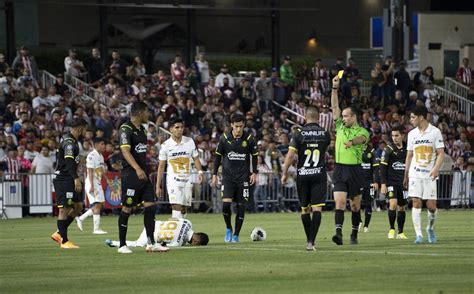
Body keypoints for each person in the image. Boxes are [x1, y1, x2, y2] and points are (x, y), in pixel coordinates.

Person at [117, 102, 169, 254]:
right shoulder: (125, 129)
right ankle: (122, 245)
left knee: (151, 206)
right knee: (127, 207)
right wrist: (137, 168)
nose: (148, 115)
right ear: (139, 113)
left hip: (143, 174)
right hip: (131, 174)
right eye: (146, 112)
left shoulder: (142, 130)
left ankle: (151, 242)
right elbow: (125, 152)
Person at [281, 106, 330, 251]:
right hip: (319, 174)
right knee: (317, 209)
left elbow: (290, 156)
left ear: (304, 117)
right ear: (319, 118)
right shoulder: (325, 133)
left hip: (303, 175)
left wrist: (284, 173)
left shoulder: (298, 133)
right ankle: (311, 242)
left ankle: (309, 240)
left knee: (304, 209)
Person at [330, 75, 370, 245]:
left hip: (355, 170)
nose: (343, 118)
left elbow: (362, 139)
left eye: (346, 116)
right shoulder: (339, 126)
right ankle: (338, 234)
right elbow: (334, 106)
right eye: (343, 116)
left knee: (355, 206)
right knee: (339, 203)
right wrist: (334, 88)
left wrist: (351, 142)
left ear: (354, 117)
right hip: (340, 169)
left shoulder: (363, 131)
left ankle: (354, 235)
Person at [211, 113, 258, 243]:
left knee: (241, 207)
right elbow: (217, 157)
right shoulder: (224, 138)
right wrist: (214, 174)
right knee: (226, 205)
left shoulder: (249, 139)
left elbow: (254, 156)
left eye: (241, 126)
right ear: (231, 125)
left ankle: (236, 235)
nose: (238, 129)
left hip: (243, 178)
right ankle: (228, 228)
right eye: (236, 126)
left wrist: (254, 172)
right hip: (228, 178)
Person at [404, 106, 445, 244]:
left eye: (413, 117)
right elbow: (409, 155)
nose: (411, 120)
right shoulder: (411, 134)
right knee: (416, 202)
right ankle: (419, 235)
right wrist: (406, 174)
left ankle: (430, 228)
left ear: (421, 117)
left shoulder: (435, 132)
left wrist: (436, 169)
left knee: (432, 206)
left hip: (430, 174)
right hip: (415, 173)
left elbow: (441, 153)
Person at [50, 118, 89, 249]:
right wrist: (76, 178)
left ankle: (59, 232)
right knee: (64, 209)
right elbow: (69, 162)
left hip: (69, 178)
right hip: (64, 179)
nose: (85, 131)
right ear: (79, 128)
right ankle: (64, 241)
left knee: (78, 207)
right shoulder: (69, 142)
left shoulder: (72, 140)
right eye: (84, 129)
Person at [156, 118, 203, 219]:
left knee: (183, 209)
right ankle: (176, 232)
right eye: (177, 127)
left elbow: (196, 158)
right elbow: (161, 166)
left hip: (187, 180)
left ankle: (180, 230)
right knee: (176, 208)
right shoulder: (166, 145)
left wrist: (200, 172)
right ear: (171, 129)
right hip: (173, 181)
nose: (180, 129)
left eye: (181, 127)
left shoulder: (189, 141)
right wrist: (158, 185)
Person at [76, 137, 114, 234]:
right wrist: (92, 185)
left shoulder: (100, 156)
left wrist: (107, 180)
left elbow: (101, 170)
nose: (104, 146)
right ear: (96, 145)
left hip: (97, 182)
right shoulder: (91, 156)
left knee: (100, 204)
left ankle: (80, 218)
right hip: (92, 182)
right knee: (97, 205)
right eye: (102, 144)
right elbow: (90, 171)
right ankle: (96, 229)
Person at [380, 126, 408, 239]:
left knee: (402, 207)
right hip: (391, 181)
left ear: (402, 136)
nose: (394, 138)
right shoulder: (388, 149)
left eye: (397, 135)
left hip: (403, 183)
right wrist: (383, 183)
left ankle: (400, 232)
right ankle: (391, 229)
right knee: (393, 203)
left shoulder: (407, 149)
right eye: (393, 136)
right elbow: (382, 167)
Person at [105, 218, 209, 248]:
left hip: (153, 224)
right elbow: (164, 246)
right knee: (138, 244)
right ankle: (114, 243)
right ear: (196, 242)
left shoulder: (188, 222)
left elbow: (171, 218)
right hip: (151, 236)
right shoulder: (179, 243)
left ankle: (115, 243)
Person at [359, 143, 380, 233]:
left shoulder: (372, 152)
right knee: (356, 204)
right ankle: (358, 221)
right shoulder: (355, 149)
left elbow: (376, 169)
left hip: (369, 182)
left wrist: (376, 182)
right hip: (358, 181)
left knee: (368, 203)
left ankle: (366, 226)